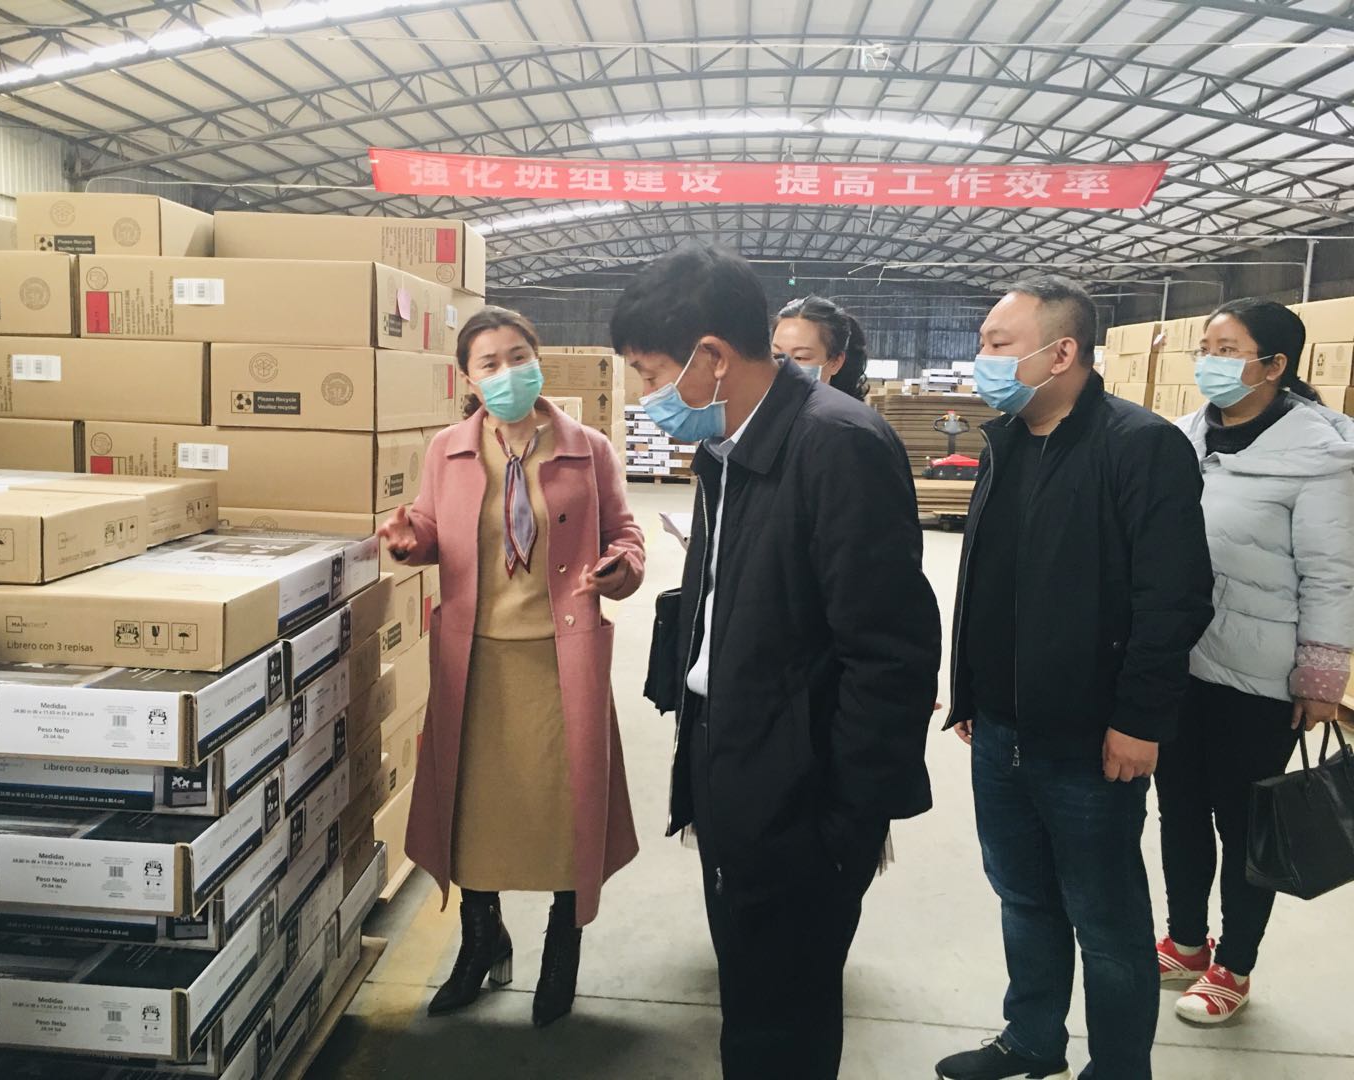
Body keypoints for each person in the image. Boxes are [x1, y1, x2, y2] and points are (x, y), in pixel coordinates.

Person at [612, 244, 941, 1080]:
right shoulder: (732, 448)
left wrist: (846, 826)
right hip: (735, 760)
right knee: (752, 994)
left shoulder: (836, 445)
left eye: (651, 372)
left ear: (712, 357)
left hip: (804, 794)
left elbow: (891, 655)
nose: (645, 394)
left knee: (784, 1019)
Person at [936, 277, 1214, 1080]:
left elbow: (1174, 598)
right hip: (1002, 728)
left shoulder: (1139, 445)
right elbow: (989, 579)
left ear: (1060, 353)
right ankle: (1032, 1039)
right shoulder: (1005, 442)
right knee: (1023, 896)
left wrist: (1140, 720)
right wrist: (973, 692)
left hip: (1093, 738)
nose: (983, 358)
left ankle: (1120, 1066)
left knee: (1106, 917)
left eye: (998, 343)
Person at [378, 305, 644, 1028]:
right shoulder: (447, 451)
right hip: (476, 660)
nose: (507, 373)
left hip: (562, 659)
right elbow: (432, 529)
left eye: (518, 357)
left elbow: (624, 533)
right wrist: (408, 540)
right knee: (471, 810)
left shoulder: (589, 449)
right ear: (467, 379)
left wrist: (620, 567)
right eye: (489, 364)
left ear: (538, 359)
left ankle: (563, 948)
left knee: (567, 807)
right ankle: (481, 940)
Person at [1155, 298, 1354, 1024]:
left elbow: (1332, 573)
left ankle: (1234, 965)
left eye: (1227, 348)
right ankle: (1185, 941)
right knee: (1177, 809)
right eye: (1205, 347)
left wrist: (1321, 677)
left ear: (1274, 366)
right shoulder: (1180, 438)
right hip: (1177, 661)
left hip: (1258, 674)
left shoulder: (1321, 456)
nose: (1210, 361)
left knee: (1244, 825)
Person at [773, 294, 870, 400]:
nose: (783, 367)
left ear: (835, 362)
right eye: (776, 355)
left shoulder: (844, 410)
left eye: (800, 357)